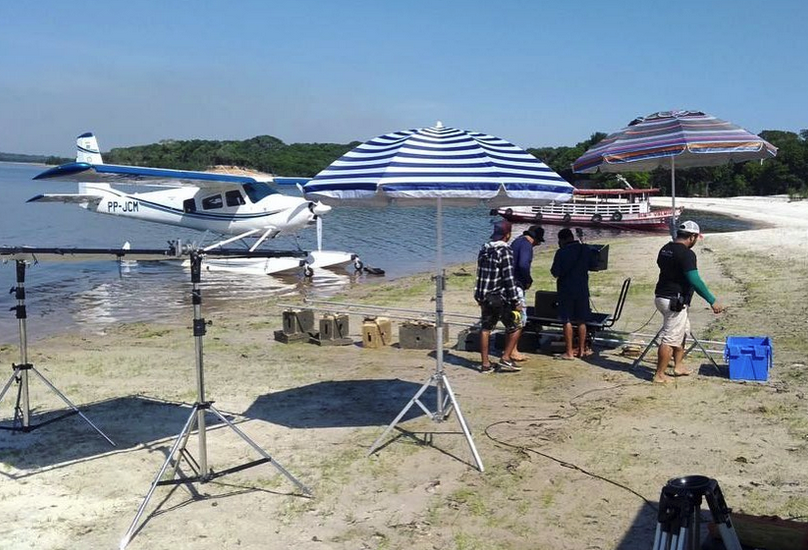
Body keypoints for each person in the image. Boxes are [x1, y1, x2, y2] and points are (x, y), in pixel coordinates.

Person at [653, 220, 724, 384]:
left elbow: (662, 266)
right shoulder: (687, 254)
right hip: (673, 300)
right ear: (692, 237)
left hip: (661, 296)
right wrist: (712, 300)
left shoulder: (665, 249)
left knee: (683, 331)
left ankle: (678, 365)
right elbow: (695, 280)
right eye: (696, 238)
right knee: (670, 338)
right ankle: (659, 375)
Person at [474, 220, 522, 373]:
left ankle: (485, 363)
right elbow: (508, 278)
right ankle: (505, 359)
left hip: (483, 295)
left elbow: (480, 274)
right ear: (507, 235)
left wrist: (478, 296)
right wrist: (516, 300)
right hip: (497, 296)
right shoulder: (505, 251)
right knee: (516, 325)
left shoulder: (484, 249)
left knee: (486, 328)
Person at [550, 228, 596, 360]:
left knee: (567, 320)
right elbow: (594, 265)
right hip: (582, 288)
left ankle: (569, 352)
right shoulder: (585, 249)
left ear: (562, 240)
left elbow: (555, 272)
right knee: (582, 320)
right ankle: (582, 350)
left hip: (566, 290)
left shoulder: (561, 252)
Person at [509, 225, 545, 362]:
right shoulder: (526, 246)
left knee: (512, 318)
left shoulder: (516, 241)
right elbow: (523, 264)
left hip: (510, 284)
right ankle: (513, 350)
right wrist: (528, 280)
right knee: (520, 319)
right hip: (517, 284)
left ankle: (511, 349)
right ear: (535, 239)